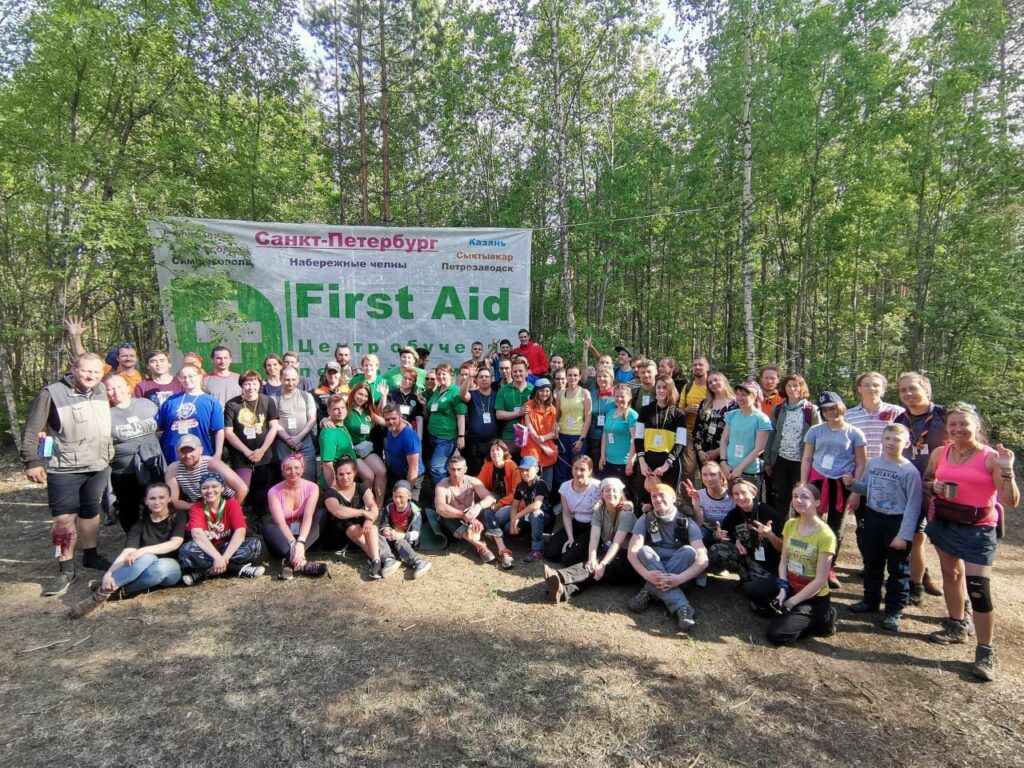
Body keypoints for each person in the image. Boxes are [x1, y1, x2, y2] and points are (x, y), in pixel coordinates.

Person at [922, 404, 1017, 681]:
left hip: (978, 529)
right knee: (951, 575)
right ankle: (957, 625)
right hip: (945, 521)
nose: (958, 429)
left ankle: (986, 650)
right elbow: (927, 479)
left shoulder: (991, 458)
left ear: (976, 426)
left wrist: (1007, 469)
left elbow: (1010, 500)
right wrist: (934, 487)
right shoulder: (941, 453)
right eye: (953, 424)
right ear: (946, 428)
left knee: (978, 590)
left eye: (964, 424)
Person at [22, 352, 114, 597]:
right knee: (63, 520)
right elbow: (32, 428)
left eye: (96, 372)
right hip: (64, 467)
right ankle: (65, 569)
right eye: (86, 371)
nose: (91, 376)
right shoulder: (52, 393)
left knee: (91, 512)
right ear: (73, 369)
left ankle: (91, 555)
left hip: (98, 464)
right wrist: (32, 461)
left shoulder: (100, 390)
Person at [842, 423, 922, 632]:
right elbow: (866, 488)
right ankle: (870, 600)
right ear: (881, 440)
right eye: (887, 438)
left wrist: (904, 535)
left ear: (906, 444)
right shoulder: (873, 463)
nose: (890, 443)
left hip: (897, 522)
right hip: (873, 517)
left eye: (896, 440)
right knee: (872, 562)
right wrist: (851, 483)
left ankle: (894, 610)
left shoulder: (909, 471)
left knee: (898, 569)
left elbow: (913, 506)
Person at [69, 482, 185, 617]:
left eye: (161, 497)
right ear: (146, 501)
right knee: (147, 558)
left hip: (171, 568)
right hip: (146, 571)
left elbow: (175, 543)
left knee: (156, 565)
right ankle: (105, 592)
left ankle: (107, 591)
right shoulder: (140, 525)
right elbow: (126, 552)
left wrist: (143, 550)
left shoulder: (179, 516)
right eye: (152, 498)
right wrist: (109, 574)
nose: (157, 502)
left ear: (169, 498)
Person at [800, 391, 866, 587]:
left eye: (833, 408)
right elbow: (807, 458)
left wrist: (855, 490)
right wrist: (803, 485)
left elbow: (861, 463)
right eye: (826, 410)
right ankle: (807, 563)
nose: (830, 412)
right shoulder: (815, 431)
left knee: (836, 527)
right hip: (817, 481)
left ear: (841, 407)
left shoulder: (854, 433)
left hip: (842, 484)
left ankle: (828, 567)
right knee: (811, 522)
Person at [626, 483, 708, 632]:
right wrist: (646, 575)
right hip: (652, 570)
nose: (657, 499)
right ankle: (682, 607)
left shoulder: (687, 521)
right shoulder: (645, 519)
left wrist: (680, 578)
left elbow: (703, 559)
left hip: (679, 573)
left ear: (673, 498)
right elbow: (632, 552)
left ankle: (649, 591)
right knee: (643, 551)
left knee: (689, 552)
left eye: (662, 495)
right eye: (654, 496)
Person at [542, 477, 638, 603]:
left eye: (614, 490)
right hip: (610, 552)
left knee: (599, 566)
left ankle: (560, 575)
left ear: (620, 493)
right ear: (601, 494)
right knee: (593, 566)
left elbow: (617, 544)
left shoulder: (626, 514)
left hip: (626, 560)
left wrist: (603, 564)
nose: (611, 493)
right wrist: (592, 559)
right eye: (607, 490)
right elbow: (594, 536)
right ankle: (563, 592)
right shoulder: (599, 510)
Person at [895, 372, 947, 602]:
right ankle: (916, 584)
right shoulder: (900, 420)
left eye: (913, 388)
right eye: (903, 390)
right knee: (915, 536)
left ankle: (961, 600)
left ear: (927, 390)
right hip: (910, 488)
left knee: (947, 546)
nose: (908, 394)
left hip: (941, 489)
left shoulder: (945, 416)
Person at [765, 483, 838, 645]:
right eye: (795, 496)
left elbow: (821, 581)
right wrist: (783, 588)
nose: (798, 500)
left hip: (814, 596)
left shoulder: (826, 535)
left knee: (776, 634)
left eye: (805, 496)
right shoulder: (790, 524)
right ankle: (792, 612)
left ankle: (825, 619)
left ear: (817, 502)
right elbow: (783, 561)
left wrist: (791, 603)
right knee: (755, 593)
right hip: (791, 585)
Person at [845, 371, 905, 562]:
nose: (871, 388)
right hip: (861, 477)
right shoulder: (849, 415)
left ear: (884, 389)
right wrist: (854, 487)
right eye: (867, 384)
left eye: (876, 385)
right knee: (864, 526)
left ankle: (900, 568)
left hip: (891, 478)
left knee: (894, 526)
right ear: (859, 389)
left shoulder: (897, 413)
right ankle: (870, 565)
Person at [177, 472, 264, 585]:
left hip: (227, 547)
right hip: (206, 549)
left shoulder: (232, 504)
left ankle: (204, 572)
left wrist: (223, 558)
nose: (210, 491)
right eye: (205, 488)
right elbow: (197, 535)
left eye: (214, 486)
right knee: (186, 550)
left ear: (222, 488)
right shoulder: (196, 507)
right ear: (200, 490)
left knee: (254, 544)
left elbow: (240, 532)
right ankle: (237, 569)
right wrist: (217, 558)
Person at [105, 373, 163, 532]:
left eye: (119, 386)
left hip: (152, 463)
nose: (116, 392)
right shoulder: (105, 414)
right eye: (110, 389)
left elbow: (163, 426)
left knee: (155, 503)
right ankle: (133, 538)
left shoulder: (146, 405)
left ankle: (155, 536)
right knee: (128, 508)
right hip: (124, 470)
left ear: (128, 387)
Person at [222, 369, 280, 519]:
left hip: (265, 455)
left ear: (260, 384)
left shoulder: (267, 401)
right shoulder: (233, 404)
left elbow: (273, 427)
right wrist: (246, 451)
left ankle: (261, 520)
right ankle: (239, 518)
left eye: (254, 383)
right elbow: (228, 432)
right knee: (242, 488)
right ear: (242, 385)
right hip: (241, 456)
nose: (251, 387)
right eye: (247, 384)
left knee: (264, 490)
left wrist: (262, 450)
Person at [324, 456, 390, 578]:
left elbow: (373, 506)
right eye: (341, 474)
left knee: (372, 527)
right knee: (351, 526)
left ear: (355, 473)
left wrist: (369, 520)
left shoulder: (361, 487)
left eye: (348, 473)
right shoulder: (330, 492)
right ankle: (383, 559)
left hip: (360, 534)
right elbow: (338, 511)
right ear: (336, 475)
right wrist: (363, 513)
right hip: (340, 535)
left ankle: (376, 561)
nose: (345, 477)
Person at [265, 455, 329, 580]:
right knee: (268, 528)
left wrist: (300, 542)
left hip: (306, 536)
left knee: (322, 514)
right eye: (288, 469)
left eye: (296, 468)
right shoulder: (273, 492)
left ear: (303, 469)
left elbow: (308, 517)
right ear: (283, 471)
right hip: (284, 538)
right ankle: (304, 564)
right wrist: (293, 542)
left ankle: (289, 563)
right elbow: (280, 523)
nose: (293, 472)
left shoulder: (312, 487)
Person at [764, 373, 820, 515]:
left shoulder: (810, 410)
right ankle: (781, 526)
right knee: (781, 498)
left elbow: (818, 437)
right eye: (788, 385)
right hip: (781, 459)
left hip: (802, 462)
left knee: (800, 497)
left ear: (802, 388)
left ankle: (799, 526)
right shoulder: (778, 409)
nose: (792, 388)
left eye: (795, 385)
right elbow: (772, 434)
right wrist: (768, 460)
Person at [633, 376, 686, 508]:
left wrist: (667, 465)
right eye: (658, 387)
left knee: (666, 500)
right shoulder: (645, 410)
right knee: (645, 501)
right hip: (647, 462)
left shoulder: (678, 414)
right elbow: (638, 438)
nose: (661, 390)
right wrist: (642, 462)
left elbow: (681, 442)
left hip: (668, 464)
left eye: (665, 388)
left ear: (671, 390)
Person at [434, 455, 498, 563]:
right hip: (453, 523)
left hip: (471, 518)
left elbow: (490, 498)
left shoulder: (473, 481)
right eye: (453, 469)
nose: (456, 473)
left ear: (465, 469)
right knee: (445, 516)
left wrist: (478, 506)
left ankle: (500, 545)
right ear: (448, 469)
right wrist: (465, 515)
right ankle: (480, 545)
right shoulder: (441, 486)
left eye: (459, 469)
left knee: (486, 509)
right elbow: (440, 507)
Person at [155, 364, 225, 463]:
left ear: (200, 376)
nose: (187, 380)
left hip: (201, 456)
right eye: (183, 377)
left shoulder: (211, 402)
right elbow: (159, 425)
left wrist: (218, 453)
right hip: (172, 455)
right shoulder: (171, 401)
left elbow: (219, 430)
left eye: (191, 376)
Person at [165, 435, 248, 512]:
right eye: (183, 451)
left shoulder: (212, 464)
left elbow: (242, 489)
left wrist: (230, 510)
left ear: (201, 450)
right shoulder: (173, 469)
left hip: (225, 503)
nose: (187, 455)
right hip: (199, 506)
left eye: (191, 451)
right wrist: (196, 507)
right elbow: (173, 501)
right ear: (177, 452)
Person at [545, 455, 601, 563]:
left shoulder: (598, 486)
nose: (578, 473)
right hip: (575, 523)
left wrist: (627, 504)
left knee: (568, 559)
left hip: (593, 526)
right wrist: (570, 537)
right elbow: (566, 514)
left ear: (590, 471)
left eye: (582, 469)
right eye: (575, 468)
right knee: (551, 554)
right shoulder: (565, 487)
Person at [719, 380, 772, 490]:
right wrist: (723, 462)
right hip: (728, 469)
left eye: (744, 395)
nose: (739, 398)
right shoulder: (732, 415)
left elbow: (759, 449)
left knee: (747, 500)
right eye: (737, 394)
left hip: (749, 473)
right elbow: (724, 440)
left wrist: (740, 468)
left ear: (754, 396)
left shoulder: (762, 419)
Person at [477, 440, 521, 569]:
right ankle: (502, 549)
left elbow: (515, 493)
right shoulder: (488, 464)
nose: (495, 452)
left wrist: (499, 504)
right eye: (492, 450)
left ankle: (493, 533)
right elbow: (479, 483)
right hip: (494, 498)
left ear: (504, 452)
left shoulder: (512, 466)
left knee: (492, 515)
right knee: (487, 510)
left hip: (510, 503)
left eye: (498, 449)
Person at [66, 316, 142, 390]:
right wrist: (76, 336)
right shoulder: (107, 370)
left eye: (131, 356)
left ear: (136, 358)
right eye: (124, 356)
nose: (128, 358)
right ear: (117, 358)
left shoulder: (141, 377)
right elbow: (83, 357)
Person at [377, 480, 432, 579]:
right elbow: (385, 523)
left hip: (406, 539)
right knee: (378, 537)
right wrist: (385, 529)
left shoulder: (414, 511)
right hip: (392, 536)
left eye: (401, 497)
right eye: (395, 496)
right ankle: (389, 560)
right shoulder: (389, 508)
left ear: (409, 496)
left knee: (399, 542)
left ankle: (418, 562)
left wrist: (402, 535)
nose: (397, 500)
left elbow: (416, 533)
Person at [424, 363, 468, 485]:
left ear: (451, 375)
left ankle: (443, 493)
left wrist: (461, 436)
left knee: (436, 468)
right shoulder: (438, 390)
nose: (440, 376)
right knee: (444, 468)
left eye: (444, 374)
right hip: (433, 435)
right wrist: (424, 404)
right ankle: (445, 491)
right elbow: (434, 409)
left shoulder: (455, 391)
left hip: (447, 438)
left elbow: (461, 416)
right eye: (438, 374)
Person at [273, 366, 318, 480]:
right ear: (281, 379)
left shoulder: (306, 396)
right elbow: (274, 423)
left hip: (304, 443)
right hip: (283, 444)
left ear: (298, 379)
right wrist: (288, 439)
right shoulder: (274, 398)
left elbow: (312, 419)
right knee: (287, 478)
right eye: (287, 379)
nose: (290, 382)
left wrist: (299, 437)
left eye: (293, 379)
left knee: (309, 475)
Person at [345, 383, 388, 504]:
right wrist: (324, 420)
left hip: (366, 448)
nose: (362, 398)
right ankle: (360, 505)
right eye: (360, 394)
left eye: (365, 396)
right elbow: (331, 418)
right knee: (369, 476)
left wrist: (402, 423)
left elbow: (385, 422)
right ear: (354, 393)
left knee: (382, 472)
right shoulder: (345, 409)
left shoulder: (368, 411)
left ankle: (379, 507)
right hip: (351, 450)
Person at [553, 365, 592, 491]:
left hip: (577, 437)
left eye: (575, 375)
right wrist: (555, 427)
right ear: (566, 377)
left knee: (577, 469)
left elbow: (588, 418)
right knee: (561, 470)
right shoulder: (560, 394)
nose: (572, 378)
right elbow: (556, 416)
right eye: (569, 375)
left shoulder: (584, 393)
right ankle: (562, 497)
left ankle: (578, 495)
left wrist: (582, 439)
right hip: (563, 436)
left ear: (580, 377)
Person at [685, 462, 737, 550]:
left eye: (713, 474)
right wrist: (696, 501)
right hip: (707, 531)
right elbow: (698, 524)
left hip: (727, 532)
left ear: (720, 475)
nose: (708, 478)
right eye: (704, 475)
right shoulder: (698, 494)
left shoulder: (732, 496)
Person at [460, 364, 499, 476]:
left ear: (491, 379)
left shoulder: (497, 395)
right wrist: (470, 377)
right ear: (476, 380)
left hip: (493, 442)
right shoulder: (472, 394)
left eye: (487, 377)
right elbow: (462, 395)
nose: (484, 379)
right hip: (475, 443)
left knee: (492, 472)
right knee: (476, 473)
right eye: (481, 377)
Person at [693, 371, 737, 471]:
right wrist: (699, 451)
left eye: (716, 380)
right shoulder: (705, 403)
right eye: (710, 382)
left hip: (726, 454)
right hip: (704, 454)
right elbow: (698, 428)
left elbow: (737, 433)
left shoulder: (736, 405)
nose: (713, 383)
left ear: (724, 381)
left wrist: (718, 452)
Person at [521, 378, 558, 488]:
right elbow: (531, 432)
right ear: (536, 391)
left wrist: (544, 438)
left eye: (547, 391)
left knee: (547, 485)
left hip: (548, 449)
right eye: (541, 390)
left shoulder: (552, 409)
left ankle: (545, 499)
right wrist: (544, 447)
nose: (544, 393)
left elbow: (555, 432)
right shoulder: (528, 407)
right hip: (532, 450)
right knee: (531, 484)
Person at [677, 355, 709, 484]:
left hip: (708, 437)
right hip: (689, 435)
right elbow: (678, 411)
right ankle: (688, 497)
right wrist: (686, 410)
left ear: (707, 367)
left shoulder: (712, 387)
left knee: (708, 471)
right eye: (695, 365)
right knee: (688, 471)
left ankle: (709, 495)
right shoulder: (688, 387)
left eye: (701, 364)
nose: (697, 367)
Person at [600, 383, 637, 485]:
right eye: (616, 396)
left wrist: (630, 461)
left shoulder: (632, 415)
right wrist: (602, 455)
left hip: (623, 462)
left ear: (629, 397)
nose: (619, 399)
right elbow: (605, 434)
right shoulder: (610, 413)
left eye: (622, 396)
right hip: (608, 460)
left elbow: (635, 439)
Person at [382, 403, 423, 495]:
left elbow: (413, 468)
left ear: (400, 416)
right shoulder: (391, 430)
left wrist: (407, 491)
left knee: (409, 502)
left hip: (412, 477)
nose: (390, 422)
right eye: (387, 419)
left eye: (394, 418)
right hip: (397, 475)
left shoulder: (409, 437)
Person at [495, 359, 533, 449]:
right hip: (509, 437)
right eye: (515, 371)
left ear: (526, 372)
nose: (518, 374)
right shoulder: (503, 390)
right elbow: (499, 415)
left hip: (530, 437)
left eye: (520, 371)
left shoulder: (533, 390)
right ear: (511, 373)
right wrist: (519, 413)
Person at [586, 368, 615, 466]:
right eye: (599, 376)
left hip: (611, 438)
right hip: (592, 438)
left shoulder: (617, 395)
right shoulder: (591, 395)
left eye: (605, 376)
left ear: (611, 379)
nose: (601, 378)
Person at [387, 366, 424, 440]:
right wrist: (403, 422)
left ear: (414, 382)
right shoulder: (392, 395)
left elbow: (419, 419)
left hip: (409, 433)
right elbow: (388, 415)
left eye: (410, 379)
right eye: (405, 378)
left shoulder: (416, 398)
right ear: (401, 378)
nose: (407, 381)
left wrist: (419, 439)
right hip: (393, 432)